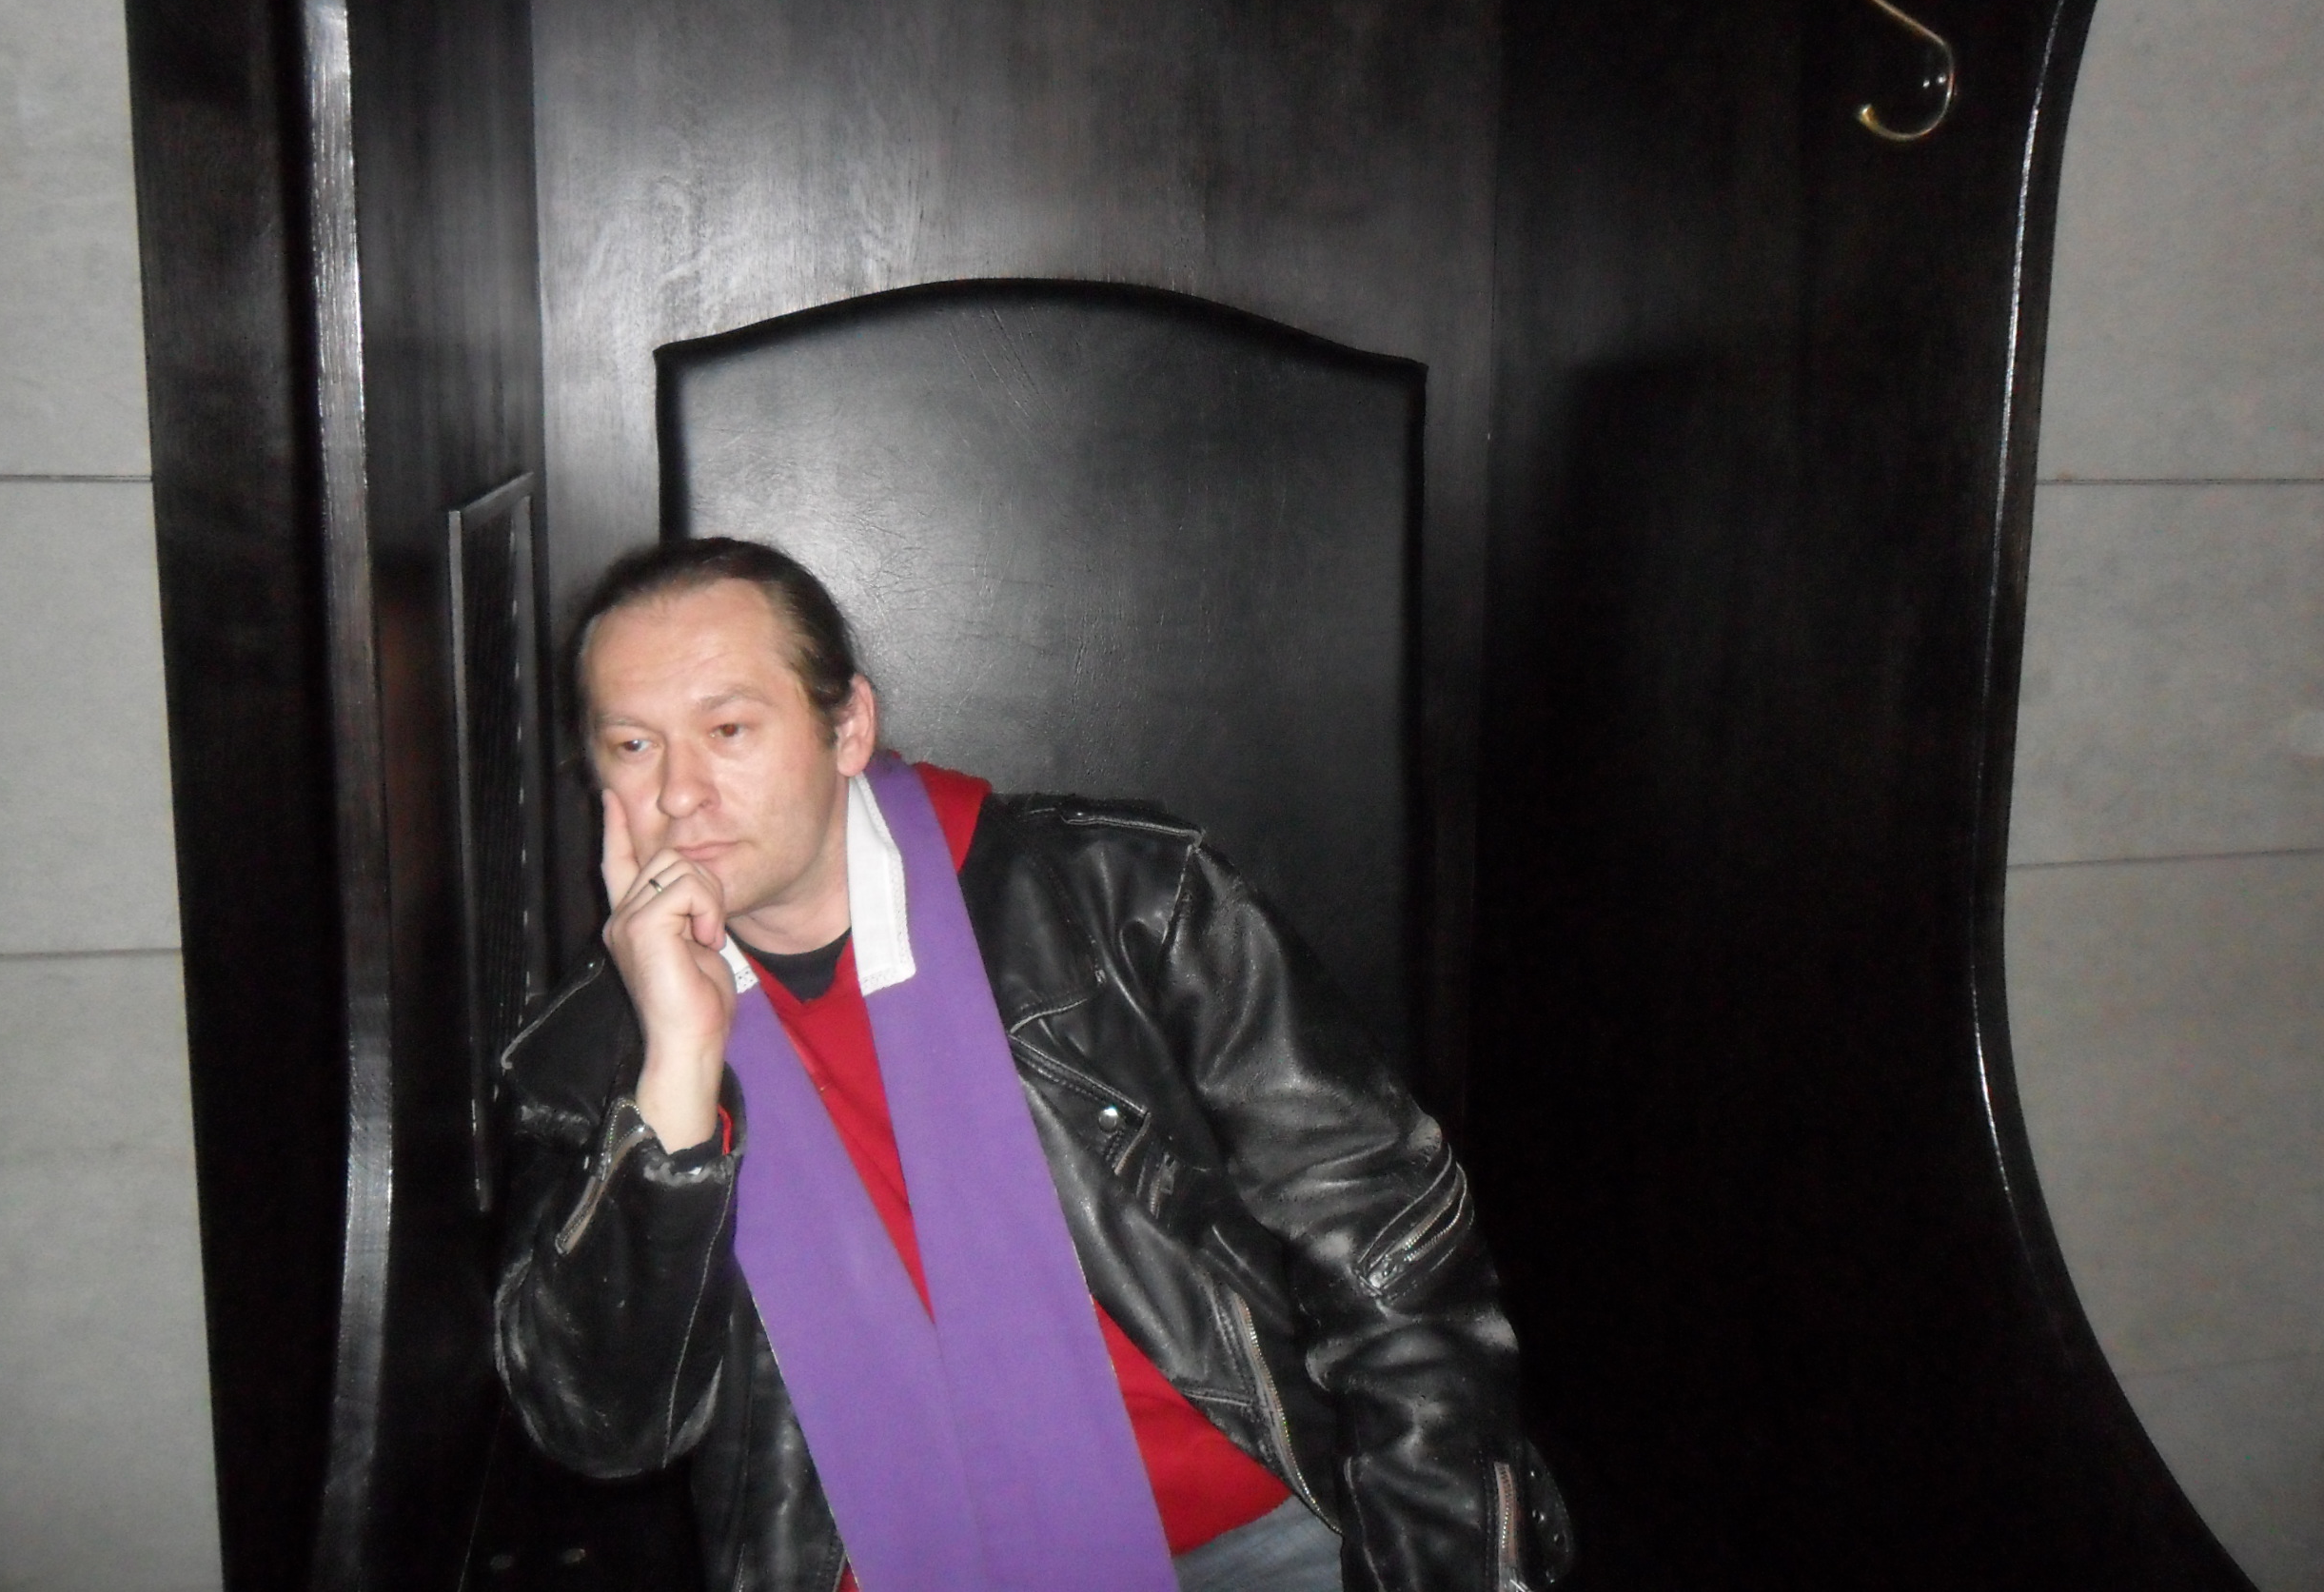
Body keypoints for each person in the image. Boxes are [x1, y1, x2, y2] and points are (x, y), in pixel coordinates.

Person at [494, 537, 1572, 1592]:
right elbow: (605, 1431)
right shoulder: (592, 1056)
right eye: (632, 746)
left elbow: (1384, 1245)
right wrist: (677, 1070)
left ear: (848, 726)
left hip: (1252, 1534)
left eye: (728, 729)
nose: (679, 793)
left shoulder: (1122, 898)